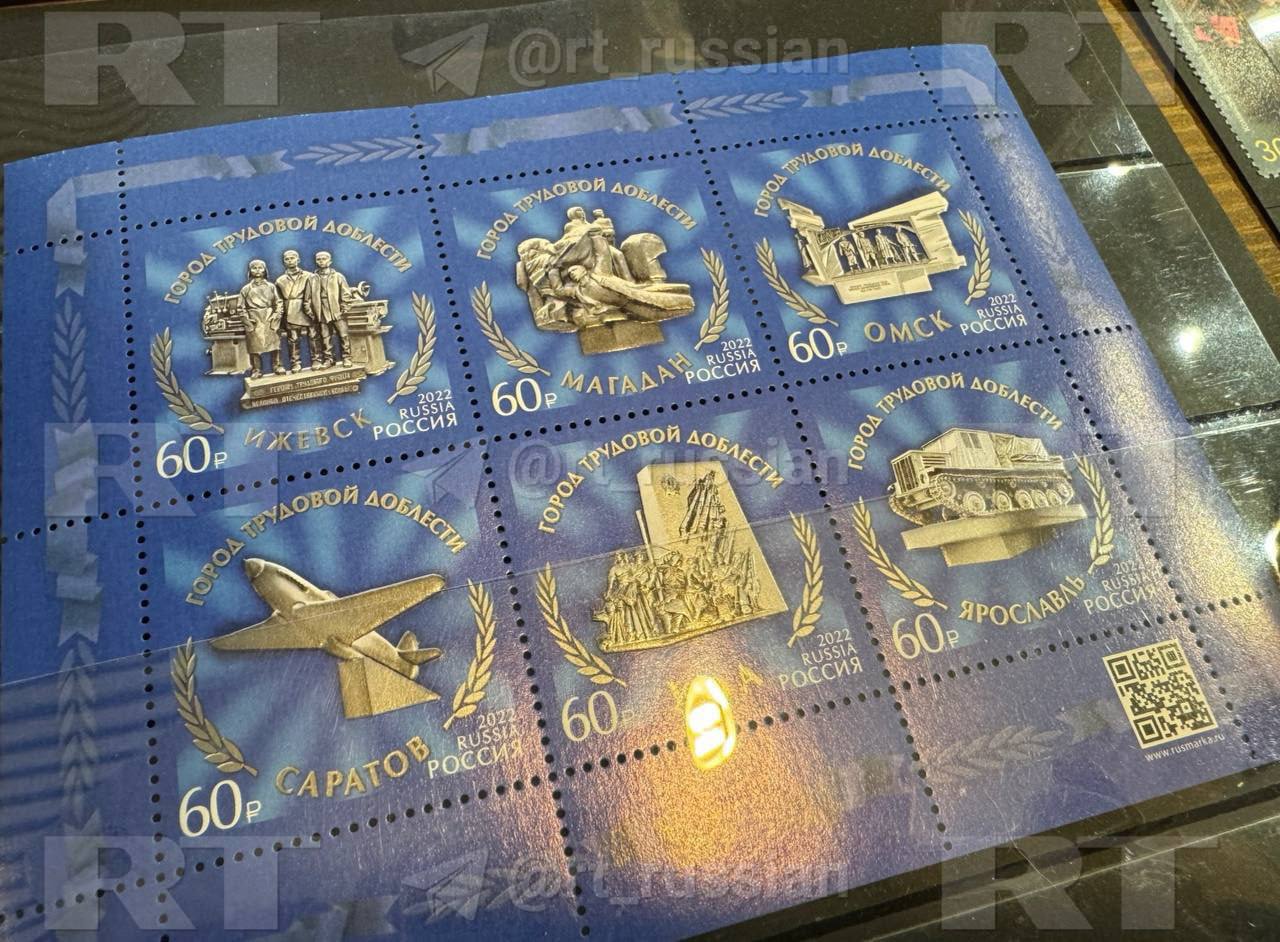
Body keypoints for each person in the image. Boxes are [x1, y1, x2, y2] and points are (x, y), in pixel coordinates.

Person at [305, 250, 354, 368]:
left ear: (330, 261)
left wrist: (343, 309)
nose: (321, 261)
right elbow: (307, 298)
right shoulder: (312, 278)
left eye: (324, 259)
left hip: (337, 311)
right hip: (321, 311)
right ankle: (329, 359)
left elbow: (346, 294)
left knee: (343, 335)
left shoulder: (338, 276)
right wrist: (310, 312)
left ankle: (347, 358)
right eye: (318, 259)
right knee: (325, 337)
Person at [238, 259, 283, 378]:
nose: (257, 270)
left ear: (264, 270)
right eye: (254, 268)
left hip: (269, 317)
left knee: (275, 344)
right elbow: (240, 308)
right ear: (250, 271)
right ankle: (256, 369)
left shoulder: (271, 286)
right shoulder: (245, 289)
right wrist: (247, 321)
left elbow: (279, 303)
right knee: (254, 347)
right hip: (254, 319)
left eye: (260, 268)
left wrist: (276, 316)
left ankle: (277, 366)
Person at [275, 249, 314, 372]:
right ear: (283, 262)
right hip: (290, 310)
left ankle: (316, 360)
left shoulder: (309, 276)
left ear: (298, 260)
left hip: (308, 309)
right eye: (286, 259)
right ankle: (295, 363)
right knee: (293, 338)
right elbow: (278, 300)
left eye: (292, 258)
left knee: (313, 335)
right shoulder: (280, 280)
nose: (290, 261)